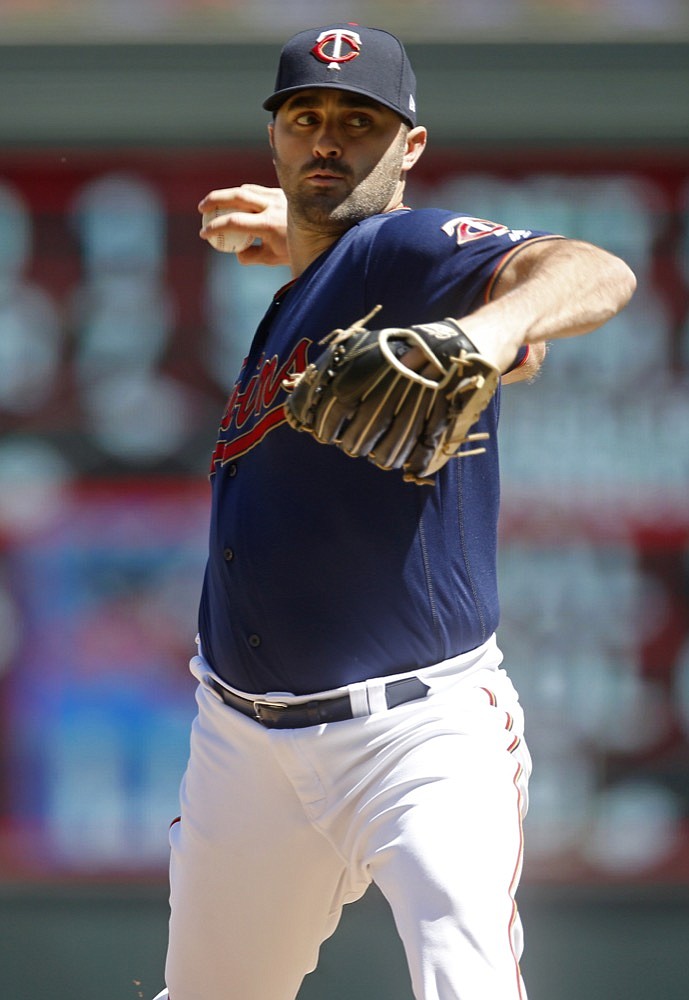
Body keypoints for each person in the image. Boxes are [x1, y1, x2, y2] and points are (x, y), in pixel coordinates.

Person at [152, 23, 636, 1000]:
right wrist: (291, 236)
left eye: (359, 121)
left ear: (408, 146)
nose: (326, 139)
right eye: (305, 117)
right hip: (241, 744)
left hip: (417, 735)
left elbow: (594, 269)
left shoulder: (401, 247)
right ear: (277, 138)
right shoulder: (314, 277)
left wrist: (484, 330)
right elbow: (334, 247)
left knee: (466, 983)